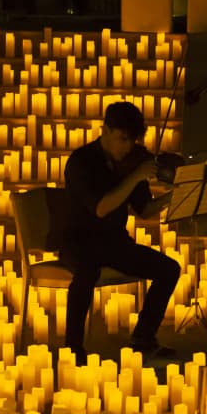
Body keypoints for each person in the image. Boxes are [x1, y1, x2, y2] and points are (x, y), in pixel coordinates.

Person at [60, 101, 180, 358]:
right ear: (105, 130)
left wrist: (174, 197)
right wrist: (135, 177)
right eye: (122, 140)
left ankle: (144, 337)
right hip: (78, 240)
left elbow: (145, 210)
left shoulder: (132, 162)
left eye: (132, 141)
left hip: (114, 242)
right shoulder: (81, 162)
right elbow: (101, 208)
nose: (127, 148)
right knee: (86, 271)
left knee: (169, 269)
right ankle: (73, 348)